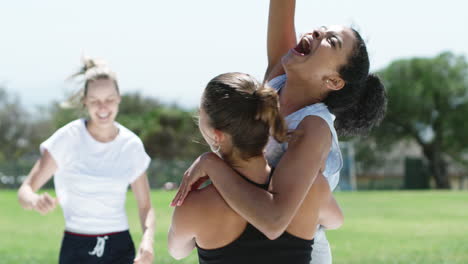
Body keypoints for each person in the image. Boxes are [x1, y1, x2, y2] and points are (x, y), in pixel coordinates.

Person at [172, 0, 387, 263]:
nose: (317, 33)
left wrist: (211, 164)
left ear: (333, 81)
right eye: (320, 29)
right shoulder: (279, 78)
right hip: (246, 233)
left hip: (297, 248)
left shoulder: (313, 128)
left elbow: (274, 221)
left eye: (332, 41)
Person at [168, 72, 343, 264]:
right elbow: (335, 221)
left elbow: (178, 251)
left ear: (217, 135)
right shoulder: (313, 187)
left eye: (200, 112)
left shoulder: (195, 205)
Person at [18, 57, 155, 264]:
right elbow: (24, 191)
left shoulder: (131, 146)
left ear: (119, 98)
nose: (103, 107)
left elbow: (145, 206)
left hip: (119, 247)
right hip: (76, 247)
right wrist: (34, 200)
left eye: (109, 99)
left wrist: (148, 241)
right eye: (94, 100)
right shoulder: (67, 139)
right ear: (84, 101)